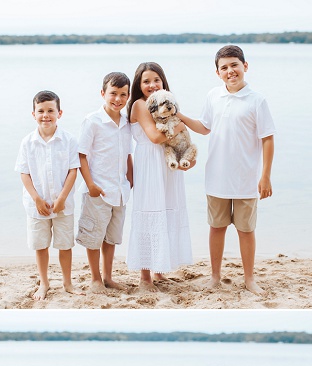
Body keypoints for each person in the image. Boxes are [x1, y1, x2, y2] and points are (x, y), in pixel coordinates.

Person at [178, 45, 275, 294]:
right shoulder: (213, 96)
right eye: (224, 67)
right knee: (217, 227)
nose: (230, 71)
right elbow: (204, 127)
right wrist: (179, 116)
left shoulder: (257, 100)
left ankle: (250, 279)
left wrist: (265, 176)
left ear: (245, 66)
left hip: (246, 178)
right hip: (216, 177)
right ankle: (214, 276)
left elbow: (267, 138)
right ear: (217, 72)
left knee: (246, 230)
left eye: (234, 65)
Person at [126, 62, 192, 290]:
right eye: (146, 81)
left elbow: (173, 138)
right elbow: (155, 137)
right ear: (139, 85)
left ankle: (159, 270)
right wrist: (182, 126)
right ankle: (145, 277)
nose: (152, 85)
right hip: (149, 163)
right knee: (149, 211)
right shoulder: (139, 105)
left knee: (165, 210)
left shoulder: (166, 103)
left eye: (156, 80)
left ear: (163, 81)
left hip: (166, 161)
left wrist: (186, 156)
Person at [14, 90, 80, 301]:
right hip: (37, 204)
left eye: (50, 111)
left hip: (63, 203)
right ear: (33, 114)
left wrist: (61, 198)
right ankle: (44, 283)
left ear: (59, 113)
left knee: (64, 245)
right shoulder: (27, 142)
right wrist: (36, 198)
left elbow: (73, 170)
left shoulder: (68, 140)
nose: (46, 115)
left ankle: (67, 283)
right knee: (40, 245)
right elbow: (24, 173)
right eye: (41, 111)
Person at [76, 72, 134, 293]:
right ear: (103, 93)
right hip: (97, 190)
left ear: (128, 96)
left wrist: (131, 177)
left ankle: (108, 277)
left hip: (119, 190)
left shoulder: (127, 122)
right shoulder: (93, 121)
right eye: (113, 94)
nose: (117, 99)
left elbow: (128, 153)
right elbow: (81, 155)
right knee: (94, 237)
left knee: (111, 237)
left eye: (122, 94)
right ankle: (95, 279)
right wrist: (90, 184)